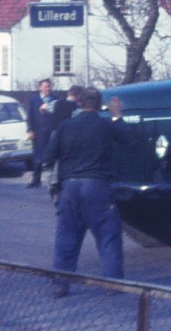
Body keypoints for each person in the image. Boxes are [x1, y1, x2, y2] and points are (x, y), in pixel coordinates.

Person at [42, 87, 139, 296]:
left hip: (69, 187)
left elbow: (48, 157)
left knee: (67, 236)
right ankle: (113, 284)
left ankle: (61, 284)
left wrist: (54, 186)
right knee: (107, 235)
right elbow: (128, 138)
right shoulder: (105, 125)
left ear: (78, 102)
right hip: (97, 186)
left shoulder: (65, 127)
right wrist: (117, 115)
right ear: (99, 105)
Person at [25, 79, 59, 187]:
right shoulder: (34, 100)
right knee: (37, 156)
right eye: (45, 87)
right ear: (40, 88)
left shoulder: (55, 99)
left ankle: (53, 181)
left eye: (49, 86)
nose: (48, 89)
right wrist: (30, 130)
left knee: (52, 155)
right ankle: (36, 180)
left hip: (51, 132)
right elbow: (29, 116)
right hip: (38, 132)